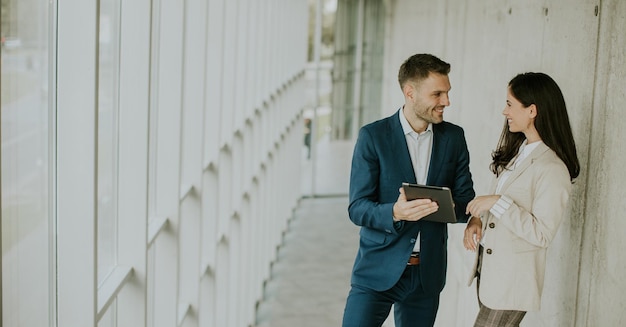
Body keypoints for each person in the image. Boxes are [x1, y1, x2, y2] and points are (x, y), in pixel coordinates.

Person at [342, 53, 475, 327]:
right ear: (410, 92)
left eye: (447, 93)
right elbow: (357, 208)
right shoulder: (373, 137)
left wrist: (471, 214)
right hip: (376, 270)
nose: (446, 102)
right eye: (437, 94)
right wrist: (395, 211)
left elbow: (464, 201)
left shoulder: (454, 138)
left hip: (426, 276)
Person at [463, 72, 580, 326]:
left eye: (509, 104)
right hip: (492, 275)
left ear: (532, 110)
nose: (504, 111)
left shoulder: (552, 167)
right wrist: (478, 219)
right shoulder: (519, 152)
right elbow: (499, 208)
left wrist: (497, 203)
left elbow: (542, 234)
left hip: (512, 283)